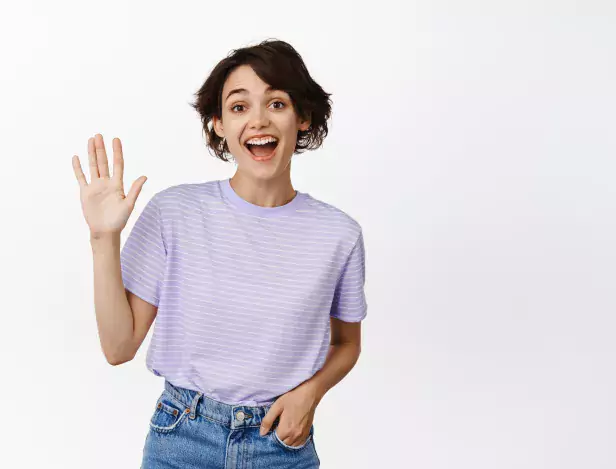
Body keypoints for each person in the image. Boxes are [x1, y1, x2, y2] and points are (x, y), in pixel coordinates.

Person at [72, 38, 367, 469]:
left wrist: (310, 394)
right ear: (218, 124)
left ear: (303, 118)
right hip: (182, 438)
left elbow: (347, 344)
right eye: (239, 106)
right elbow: (119, 347)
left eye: (278, 104)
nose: (259, 120)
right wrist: (103, 238)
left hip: (280, 444)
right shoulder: (175, 212)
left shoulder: (338, 234)